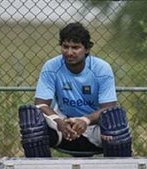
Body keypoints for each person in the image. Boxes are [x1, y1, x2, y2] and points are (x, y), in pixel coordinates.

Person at [18, 22, 132, 157]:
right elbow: (41, 104)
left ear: (87, 49)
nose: (69, 52)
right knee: (30, 116)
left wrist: (85, 120)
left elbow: (108, 108)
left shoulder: (101, 68)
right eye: (65, 47)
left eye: (75, 47)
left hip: (94, 127)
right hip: (64, 127)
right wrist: (59, 122)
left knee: (115, 119)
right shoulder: (51, 66)